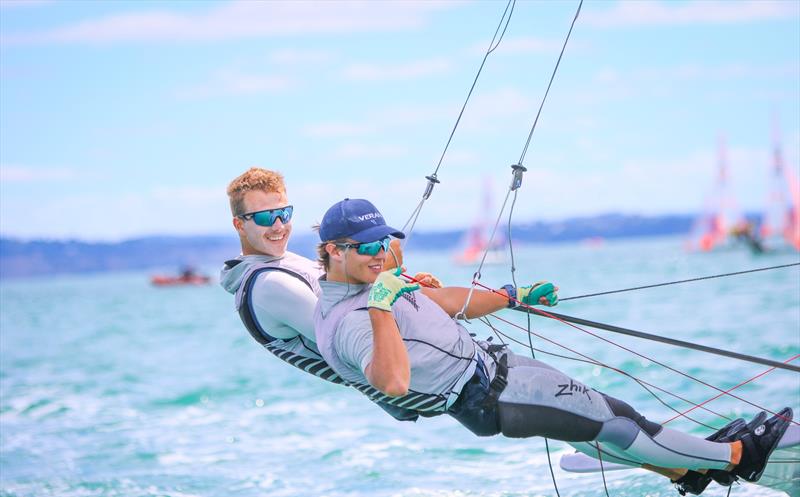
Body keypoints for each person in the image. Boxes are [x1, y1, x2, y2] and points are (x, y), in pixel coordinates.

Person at [312, 197, 793, 495]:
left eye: (385, 243)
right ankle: (738, 456)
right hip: (489, 396)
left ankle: (686, 473)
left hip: (499, 370)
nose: (381, 256)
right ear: (335, 250)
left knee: (616, 417)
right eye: (367, 247)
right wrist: (379, 308)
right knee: (617, 425)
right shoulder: (350, 319)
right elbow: (393, 383)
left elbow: (443, 300)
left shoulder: (373, 281)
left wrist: (509, 296)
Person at [218, 167, 532, 421]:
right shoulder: (270, 284)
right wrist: (397, 295)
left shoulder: (282, 260)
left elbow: (357, 296)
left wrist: (410, 294)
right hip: (426, 383)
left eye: (284, 213)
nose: (278, 225)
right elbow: (345, 331)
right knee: (550, 407)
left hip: (435, 370)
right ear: (239, 225)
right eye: (263, 218)